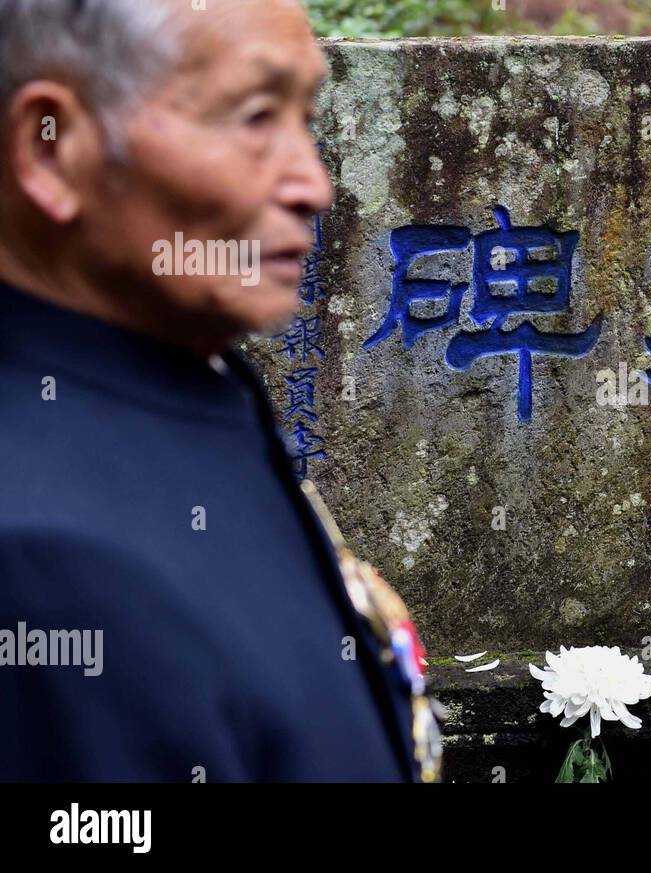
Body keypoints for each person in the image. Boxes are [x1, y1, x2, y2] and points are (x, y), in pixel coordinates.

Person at [0, 0, 425, 781]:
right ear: (52, 149)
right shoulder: (42, 559)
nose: (313, 185)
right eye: (255, 117)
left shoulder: (187, 377)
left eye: (306, 116)